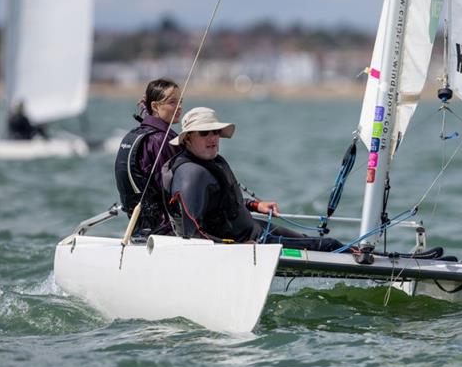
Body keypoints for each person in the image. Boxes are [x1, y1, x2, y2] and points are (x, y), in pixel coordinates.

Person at [162, 107, 351, 252]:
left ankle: (370, 256)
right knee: (328, 245)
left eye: (216, 132)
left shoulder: (210, 161)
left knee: (310, 240)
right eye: (204, 133)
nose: (212, 138)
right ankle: (373, 265)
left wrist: (254, 205)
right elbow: (193, 233)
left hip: (254, 229)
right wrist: (235, 247)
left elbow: (220, 204)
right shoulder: (191, 174)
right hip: (247, 242)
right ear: (187, 139)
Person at [114, 78, 183, 237]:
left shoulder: (134, 135)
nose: (179, 107)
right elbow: (174, 191)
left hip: (140, 230)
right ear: (155, 106)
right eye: (172, 102)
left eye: (180, 101)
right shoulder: (161, 140)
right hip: (166, 231)